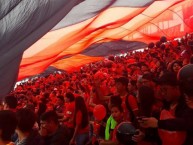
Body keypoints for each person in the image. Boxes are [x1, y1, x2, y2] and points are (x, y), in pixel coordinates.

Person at [139, 68, 193, 145]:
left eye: (165, 89)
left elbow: (186, 123)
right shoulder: (165, 107)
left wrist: (158, 123)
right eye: (161, 90)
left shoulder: (188, 104)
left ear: (176, 88)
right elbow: (163, 134)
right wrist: (144, 136)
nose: (163, 93)